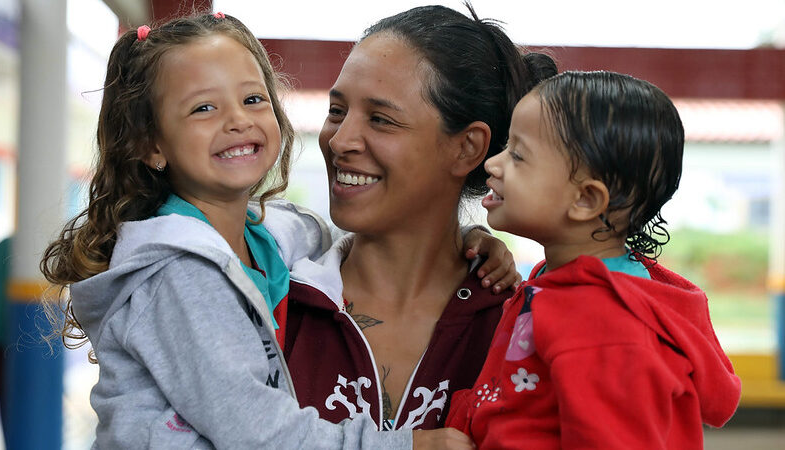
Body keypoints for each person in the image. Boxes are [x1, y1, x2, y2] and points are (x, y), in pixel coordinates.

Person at [39, 12, 483, 449]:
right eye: (203, 108)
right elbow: (257, 431)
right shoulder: (180, 271)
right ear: (151, 145)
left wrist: (469, 243)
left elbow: (358, 234)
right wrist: (403, 446)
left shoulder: (269, 237)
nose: (236, 120)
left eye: (253, 100)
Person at [283, 4, 558, 431]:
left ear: (467, 148)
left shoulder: (521, 327)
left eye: (380, 119)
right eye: (337, 111)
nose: (339, 140)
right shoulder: (274, 297)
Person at [445, 71, 742, 448]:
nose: (493, 164)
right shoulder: (565, 280)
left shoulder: (602, 321)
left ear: (585, 200)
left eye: (518, 155)